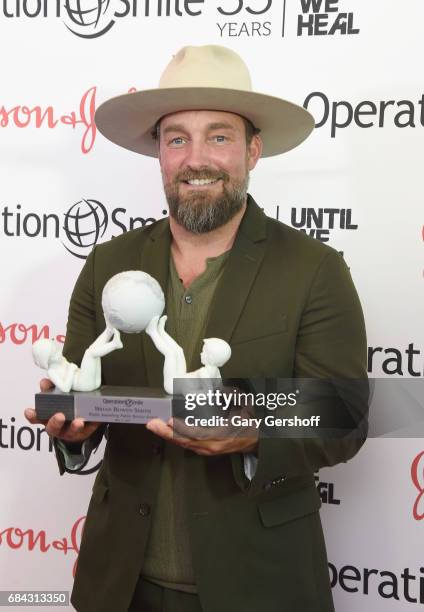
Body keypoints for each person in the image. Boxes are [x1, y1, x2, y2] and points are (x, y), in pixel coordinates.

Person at [25, 45, 368, 612]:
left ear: (253, 150)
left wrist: (255, 427)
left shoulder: (313, 269)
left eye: (219, 136)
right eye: (177, 138)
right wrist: (72, 430)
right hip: (120, 585)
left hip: (260, 583)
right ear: (157, 152)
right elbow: (83, 395)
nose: (196, 158)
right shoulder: (107, 264)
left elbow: (345, 414)